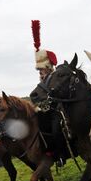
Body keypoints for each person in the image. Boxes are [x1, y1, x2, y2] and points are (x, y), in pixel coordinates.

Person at [31, 20, 67, 166]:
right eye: (38, 70)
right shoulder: (41, 82)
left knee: (56, 129)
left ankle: (62, 155)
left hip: (60, 109)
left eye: (41, 69)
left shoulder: (54, 78)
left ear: (48, 67)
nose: (40, 72)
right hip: (47, 112)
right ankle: (49, 153)